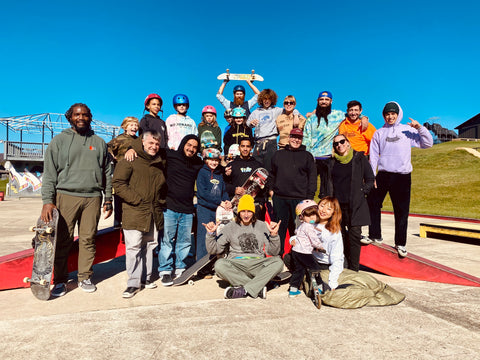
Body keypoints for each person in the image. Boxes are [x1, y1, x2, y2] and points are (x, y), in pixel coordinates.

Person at [41, 103, 113, 297]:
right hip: (66, 195)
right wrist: (48, 200)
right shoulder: (59, 141)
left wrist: (108, 199)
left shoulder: (98, 142)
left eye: (85, 115)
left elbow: (107, 172)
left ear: (90, 117)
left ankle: (84, 277)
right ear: (70, 117)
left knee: (88, 239)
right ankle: (60, 280)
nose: (81, 117)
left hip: (92, 197)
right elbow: (49, 174)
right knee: (63, 240)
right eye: (77, 114)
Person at [366, 102, 433, 257]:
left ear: (398, 114)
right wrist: (372, 176)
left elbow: (428, 144)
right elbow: (374, 156)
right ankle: (375, 236)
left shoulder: (407, 131)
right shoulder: (379, 133)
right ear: (384, 116)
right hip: (383, 174)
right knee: (373, 203)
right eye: (387, 114)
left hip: (402, 176)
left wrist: (419, 128)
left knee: (401, 211)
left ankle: (400, 243)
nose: (390, 116)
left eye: (393, 113)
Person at [112, 131, 167, 298]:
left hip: (153, 211)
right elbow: (118, 183)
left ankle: (147, 278)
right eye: (150, 143)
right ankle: (133, 283)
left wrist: (160, 202)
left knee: (150, 245)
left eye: (157, 144)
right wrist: (136, 200)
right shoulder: (130, 159)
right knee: (134, 247)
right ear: (142, 142)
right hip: (135, 211)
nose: (154, 146)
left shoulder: (159, 162)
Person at [203, 194, 284, 299]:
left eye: (249, 211)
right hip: (237, 265)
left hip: (257, 263)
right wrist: (210, 235)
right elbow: (214, 250)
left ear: (253, 212)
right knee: (219, 265)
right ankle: (257, 286)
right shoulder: (229, 227)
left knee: (278, 263)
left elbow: (273, 252)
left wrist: (274, 235)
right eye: (243, 211)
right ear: (238, 212)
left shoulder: (262, 226)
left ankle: (244, 289)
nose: (246, 215)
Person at [303, 91, 370, 198]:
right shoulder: (311, 118)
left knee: (328, 191)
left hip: (329, 157)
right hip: (313, 158)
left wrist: (364, 117)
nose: (324, 102)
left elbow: (353, 114)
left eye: (326, 99)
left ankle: (327, 212)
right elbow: (306, 137)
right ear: (318, 101)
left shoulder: (337, 114)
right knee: (308, 188)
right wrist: (307, 156)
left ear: (331, 101)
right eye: (321, 99)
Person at [325, 134, 375, 271]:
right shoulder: (332, 162)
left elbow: (370, 178)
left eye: (342, 142)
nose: (339, 145)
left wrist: (363, 191)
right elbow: (328, 183)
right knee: (338, 238)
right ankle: (342, 266)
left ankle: (354, 270)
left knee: (354, 238)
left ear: (348, 143)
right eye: (336, 143)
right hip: (338, 207)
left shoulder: (359, 158)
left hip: (355, 205)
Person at [158, 135, 203, 285]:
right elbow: (151, 148)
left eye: (195, 147)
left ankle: (180, 268)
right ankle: (165, 270)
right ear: (183, 144)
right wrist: (132, 148)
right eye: (189, 145)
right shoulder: (170, 155)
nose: (191, 149)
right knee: (167, 241)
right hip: (170, 206)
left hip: (187, 208)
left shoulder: (197, 162)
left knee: (184, 241)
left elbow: (212, 165)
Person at [270, 128, 317, 256]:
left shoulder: (307, 156)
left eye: (299, 138)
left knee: (298, 231)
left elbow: (312, 178)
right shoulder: (278, 154)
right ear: (289, 137)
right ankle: (277, 258)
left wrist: (309, 199)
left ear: (302, 140)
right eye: (294, 137)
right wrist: (271, 191)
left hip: (299, 200)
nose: (296, 140)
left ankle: (296, 258)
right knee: (280, 229)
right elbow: (272, 174)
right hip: (280, 198)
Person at [247, 89, 299, 172]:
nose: (267, 101)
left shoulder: (276, 110)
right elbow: (247, 124)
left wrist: (296, 115)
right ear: (261, 99)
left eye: (269, 99)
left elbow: (291, 109)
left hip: (271, 142)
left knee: (270, 168)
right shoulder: (255, 112)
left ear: (272, 100)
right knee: (255, 169)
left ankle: (270, 185)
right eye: (265, 99)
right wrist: (251, 123)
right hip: (258, 143)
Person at [196, 148, 231, 262]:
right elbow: (203, 193)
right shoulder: (202, 172)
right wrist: (219, 201)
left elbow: (223, 191)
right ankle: (202, 266)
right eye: (211, 160)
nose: (214, 162)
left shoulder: (219, 174)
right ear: (205, 160)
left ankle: (214, 263)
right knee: (204, 237)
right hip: (205, 209)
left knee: (217, 236)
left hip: (217, 211)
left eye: (216, 160)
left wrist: (226, 201)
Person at [107, 116, 139, 228]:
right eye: (131, 125)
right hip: (121, 176)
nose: (134, 127)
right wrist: (111, 156)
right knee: (119, 200)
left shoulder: (138, 140)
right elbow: (107, 148)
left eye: (136, 125)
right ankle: (117, 224)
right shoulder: (118, 139)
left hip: (135, 176)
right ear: (124, 127)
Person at [288, 200, 325, 298]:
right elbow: (314, 240)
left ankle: (293, 289)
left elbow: (297, 233)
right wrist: (320, 247)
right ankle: (320, 287)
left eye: (314, 215)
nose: (312, 217)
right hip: (304, 253)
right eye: (309, 216)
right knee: (315, 269)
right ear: (301, 217)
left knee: (299, 270)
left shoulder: (301, 226)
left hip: (296, 251)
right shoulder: (309, 227)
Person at [224, 137, 266, 220]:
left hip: (254, 205)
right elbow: (224, 185)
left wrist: (261, 204)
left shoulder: (258, 165)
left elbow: (263, 187)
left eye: (247, 146)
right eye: (243, 146)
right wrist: (234, 189)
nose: (245, 149)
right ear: (239, 148)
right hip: (237, 206)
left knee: (254, 232)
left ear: (251, 148)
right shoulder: (231, 165)